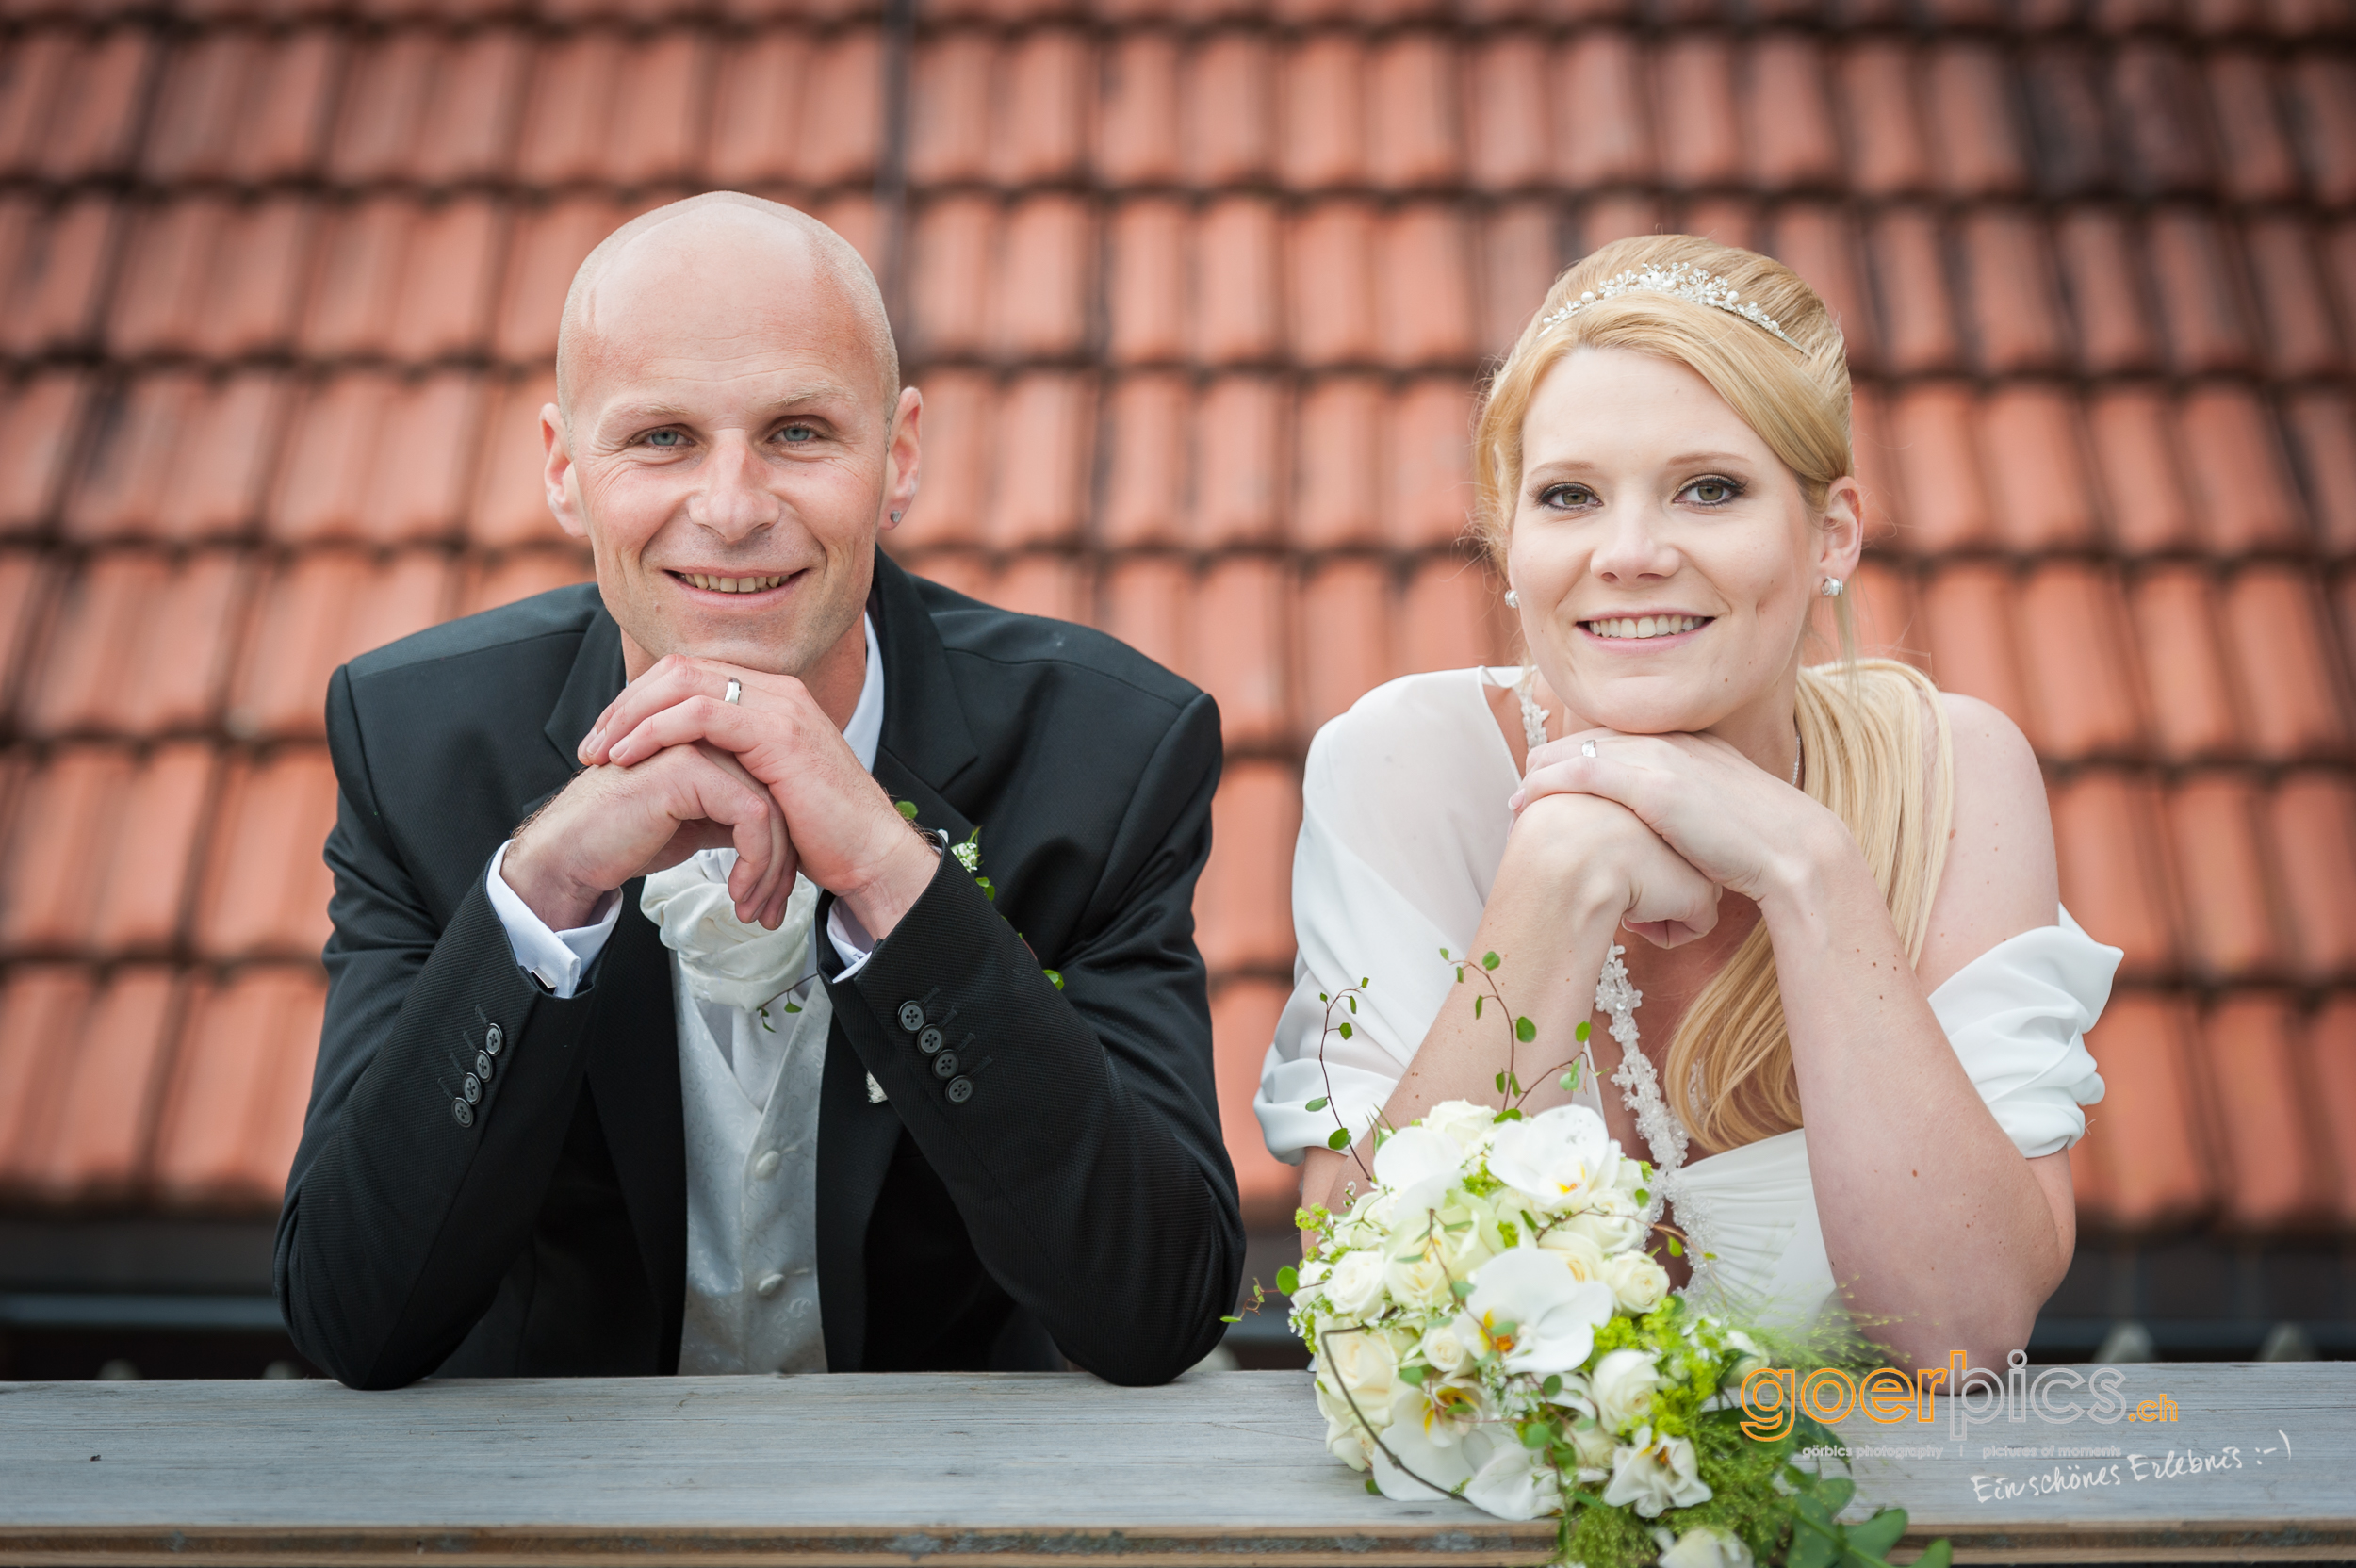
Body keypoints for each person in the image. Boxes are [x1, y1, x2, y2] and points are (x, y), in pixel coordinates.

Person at [276, 193, 1243, 1390]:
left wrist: (897, 881)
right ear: (564, 470)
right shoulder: (416, 746)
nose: (731, 509)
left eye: (796, 431)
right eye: (662, 437)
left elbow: (1160, 1305)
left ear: (897, 457)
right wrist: (545, 887)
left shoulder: (1108, 753)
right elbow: (351, 1315)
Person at [1254, 235, 2116, 1369]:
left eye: (1709, 489)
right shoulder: (1404, 766)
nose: (1630, 552)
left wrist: (1809, 873)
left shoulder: (1955, 774)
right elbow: (1367, 1320)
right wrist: (1558, 873)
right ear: (1508, 543)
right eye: (1568, 496)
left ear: (1831, 533)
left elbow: (1959, 1333)